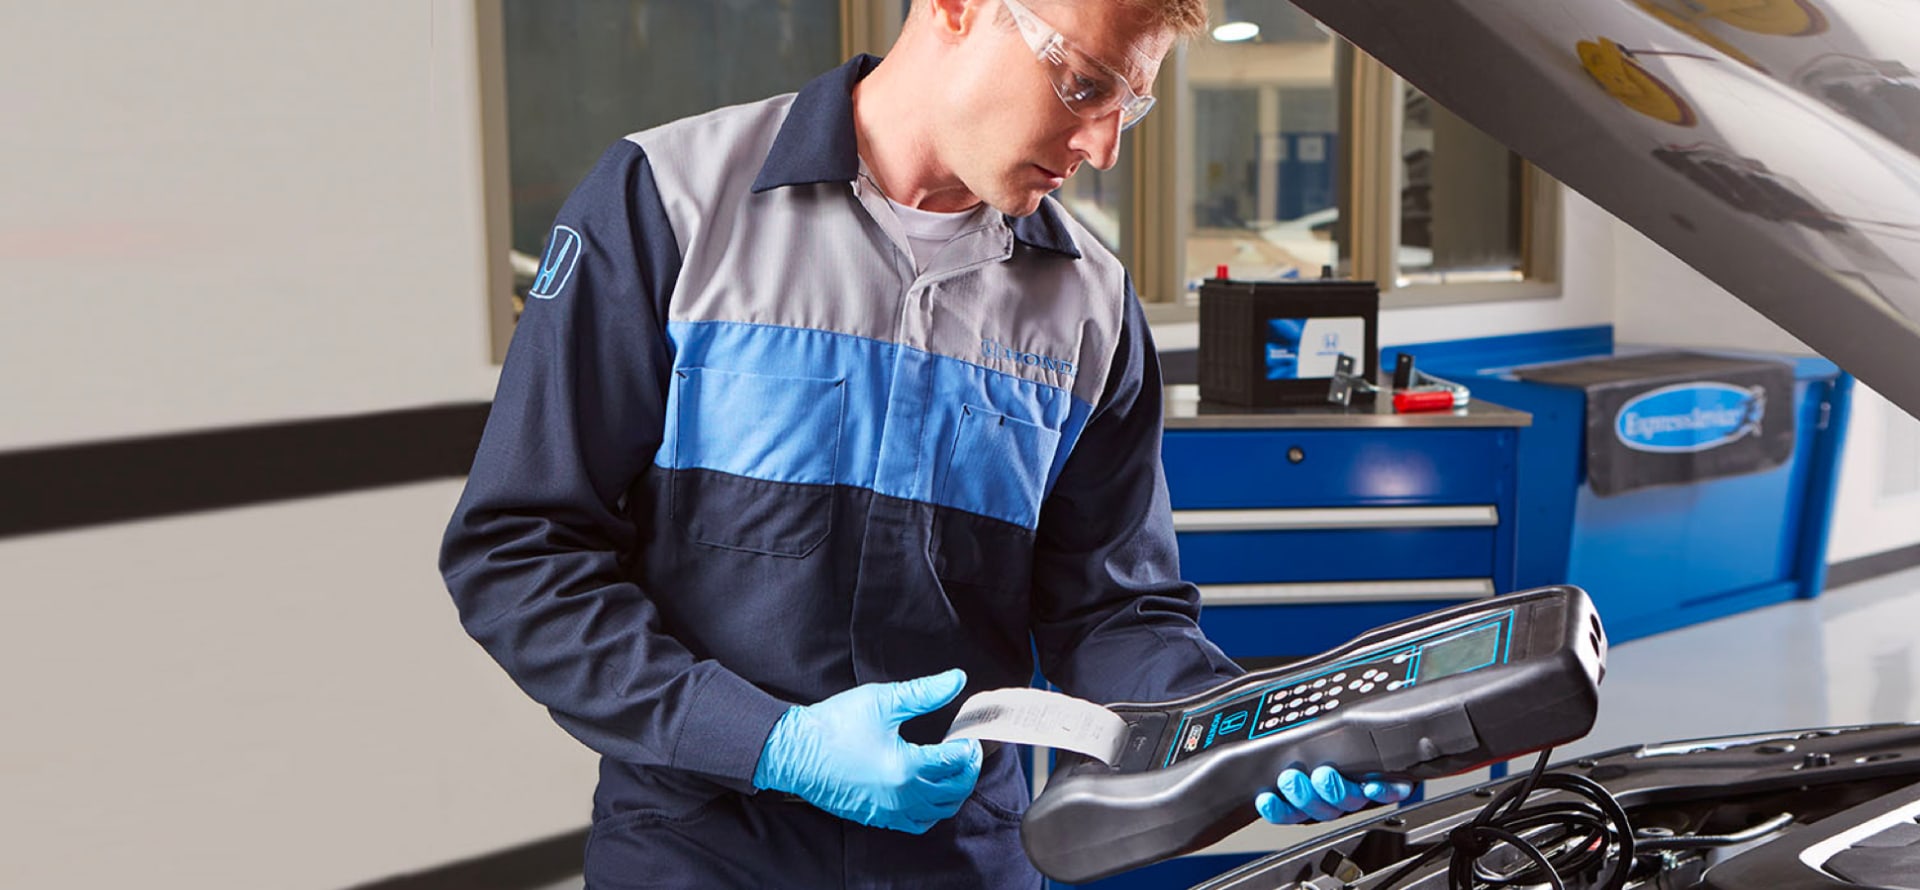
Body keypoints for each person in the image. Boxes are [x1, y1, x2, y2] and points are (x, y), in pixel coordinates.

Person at [440, 0, 1407, 886]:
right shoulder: (671, 206)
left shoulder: (1090, 304)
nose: (1106, 147)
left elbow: (1112, 615)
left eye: (1132, 106)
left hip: (965, 859)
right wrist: (768, 742)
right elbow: (518, 552)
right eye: (1084, 86)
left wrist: (1244, 737)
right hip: (701, 852)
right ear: (954, 7)